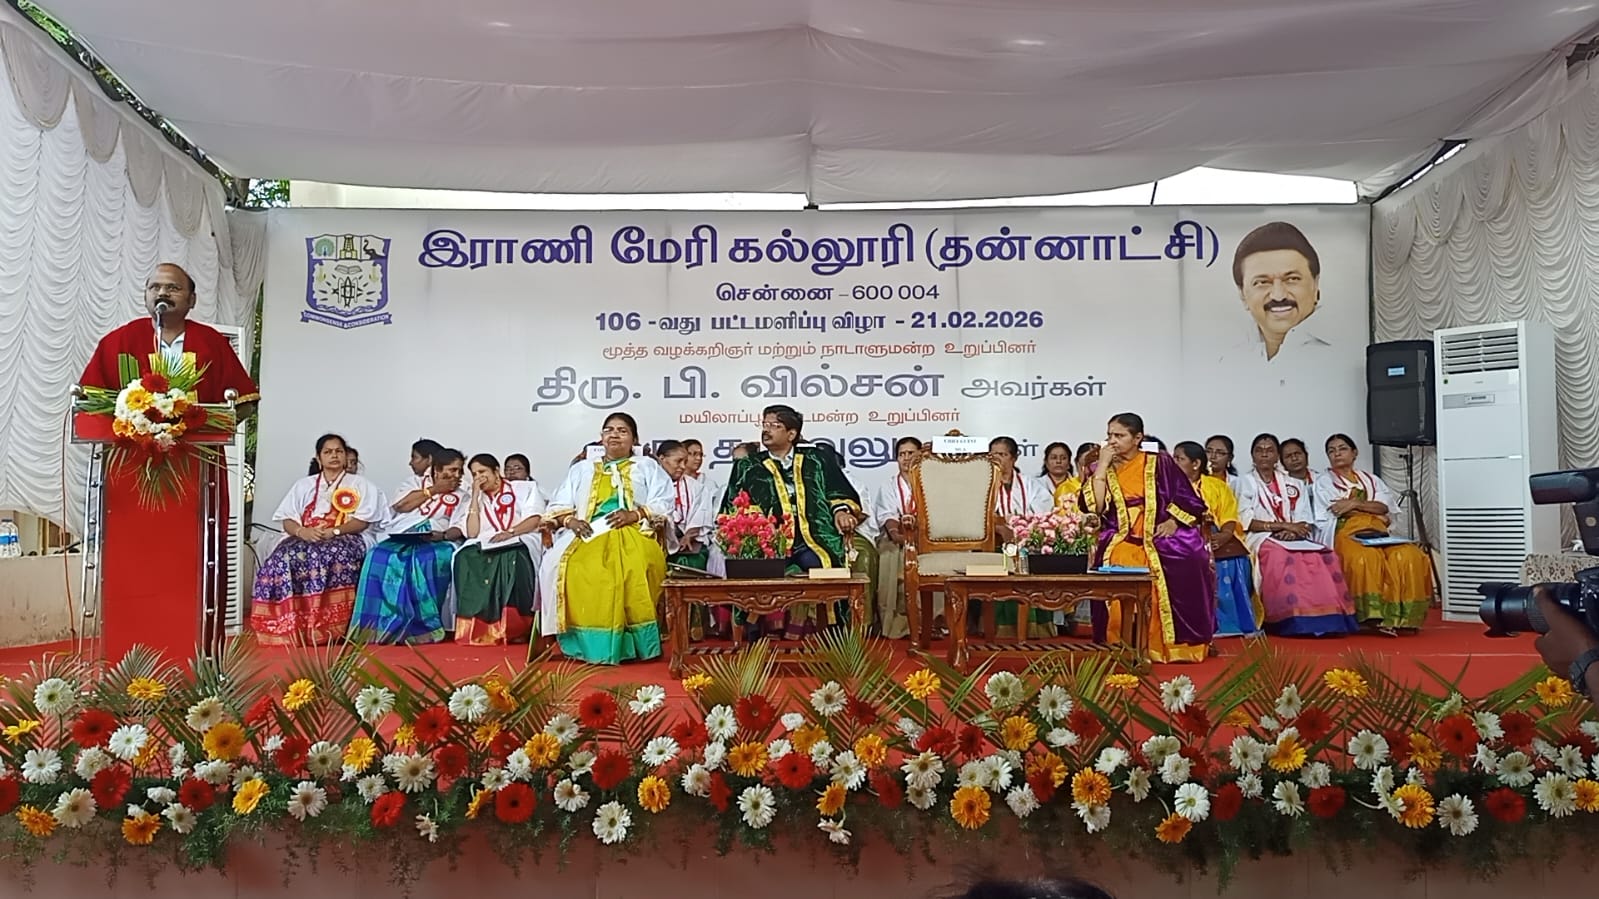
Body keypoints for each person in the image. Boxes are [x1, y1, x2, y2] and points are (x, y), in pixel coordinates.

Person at [1081, 413, 1215, 663]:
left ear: (1137, 438)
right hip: (1121, 534)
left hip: (1159, 529)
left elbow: (1188, 498)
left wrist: (1173, 521)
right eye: (1109, 435)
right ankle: (1120, 643)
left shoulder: (1160, 462)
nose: (1112, 441)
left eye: (1119, 435)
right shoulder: (1100, 467)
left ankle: (1177, 645)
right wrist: (1102, 466)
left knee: (1191, 557)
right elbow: (1095, 508)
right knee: (1116, 561)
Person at [539, 413, 672, 665]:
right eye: (609, 430)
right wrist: (571, 521)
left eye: (622, 430)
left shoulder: (647, 467)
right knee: (570, 567)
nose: (614, 435)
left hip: (634, 530)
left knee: (632, 569)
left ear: (634, 439)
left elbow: (663, 501)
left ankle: (635, 645)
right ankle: (587, 644)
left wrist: (634, 514)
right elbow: (559, 504)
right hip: (587, 532)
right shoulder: (582, 469)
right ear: (601, 437)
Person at [721, 405, 864, 638]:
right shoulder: (748, 465)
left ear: (791, 434)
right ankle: (753, 629)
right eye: (764, 424)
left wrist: (841, 512)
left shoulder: (816, 459)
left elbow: (838, 491)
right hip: (768, 543)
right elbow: (734, 506)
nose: (766, 430)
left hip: (813, 539)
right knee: (755, 571)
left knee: (826, 565)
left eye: (774, 425)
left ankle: (834, 632)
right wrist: (756, 529)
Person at [250, 433, 383, 645]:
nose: (334, 456)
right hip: (307, 536)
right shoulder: (304, 485)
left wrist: (334, 532)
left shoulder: (360, 484)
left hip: (347, 536)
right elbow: (287, 519)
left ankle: (329, 628)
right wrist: (302, 532)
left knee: (329, 555)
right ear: (319, 458)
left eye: (338, 451)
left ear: (345, 456)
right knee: (282, 557)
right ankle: (289, 627)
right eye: (328, 452)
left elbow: (362, 522)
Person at [79, 262, 261, 411]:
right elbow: (90, 399)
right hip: (131, 443)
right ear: (145, 297)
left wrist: (211, 429)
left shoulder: (212, 342)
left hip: (196, 444)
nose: (162, 293)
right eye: (155, 287)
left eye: (173, 288)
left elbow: (244, 401)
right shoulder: (119, 341)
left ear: (192, 300)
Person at [1236, 433, 1357, 637]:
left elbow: (1304, 520)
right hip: (1260, 536)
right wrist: (1283, 527)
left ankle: (1328, 617)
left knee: (1322, 554)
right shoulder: (1244, 482)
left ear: (1277, 457)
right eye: (1259, 451)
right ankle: (1289, 619)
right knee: (1280, 556)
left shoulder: (1294, 483)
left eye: (1270, 450)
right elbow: (1245, 521)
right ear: (1252, 456)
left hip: (1294, 537)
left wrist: (1293, 530)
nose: (1264, 455)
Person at [1314, 433, 1434, 635]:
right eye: (1331, 451)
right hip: (1346, 532)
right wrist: (1369, 508)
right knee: (1365, 558)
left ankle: (1402, 617)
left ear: (1354, 453)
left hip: (1378, 531)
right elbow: (1337, 510)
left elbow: (1384, 507)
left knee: (1408, 555)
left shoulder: (1371, 480)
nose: (1337, 454)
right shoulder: (1324, 482)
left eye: (1342, 449)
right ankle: (1371, 616)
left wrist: (1354, 503)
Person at [348, 448, 467, 644]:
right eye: (451, 470)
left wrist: (443, 535)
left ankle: (419, 629)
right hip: (403, 536)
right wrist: (435, 490)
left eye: (460, 470)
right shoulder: (413, 483)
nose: (457, 475)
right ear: (436, 470)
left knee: (419, 562)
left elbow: (460, 526)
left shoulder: (464, 494)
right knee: (376, 555)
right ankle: (374, 628)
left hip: (438, 541)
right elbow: (401, 506)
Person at [450, 454, 546, 645]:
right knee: (465, 556)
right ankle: (475, 627)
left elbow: (535, 519)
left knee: (513, 556)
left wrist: (510, 532)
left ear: (496, 471)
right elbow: (472, 532)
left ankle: (516, 628)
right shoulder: (475, 497)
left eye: (482, 471)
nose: (479, 477)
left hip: (520, 535)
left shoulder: (524, 488)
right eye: (474, 474)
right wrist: (475, 497)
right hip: (487, 541)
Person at [1174, 441, 1261, 638]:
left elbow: (1229, 517)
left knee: (1234, 560)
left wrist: (1224, 536)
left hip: (1216, 535)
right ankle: (1205, 624)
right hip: (1183, 537)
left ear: (1196, 464)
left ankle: (1231, 623)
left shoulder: (1217, 486)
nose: (1174, 462)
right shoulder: (1169, 486)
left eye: (1179, 459)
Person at [1230, 221, 1329, 362]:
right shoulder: (1227, 360)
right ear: (1242, 294)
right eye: (1262, 282)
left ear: (1315, 284)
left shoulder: (1346, 352)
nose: (1278, 296)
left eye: (1292, 279)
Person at [871, 437, 923, 639]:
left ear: (920, 456)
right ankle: (893, 624)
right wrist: (897, 535)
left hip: (925, 537)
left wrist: (917, 537)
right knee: (890, 554)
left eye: (911, 453)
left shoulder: (930, 484)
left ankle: (932, 622)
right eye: (902, 454)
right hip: (895, 535)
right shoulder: (889, 485)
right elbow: (887, 515)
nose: (906, 458)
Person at [682, 439, 725, 508]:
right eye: (694, 454)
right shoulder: (673, 483)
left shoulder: (709, 484)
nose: (698, 458)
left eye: (700, 455)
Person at [1039, 442, 1080, 511]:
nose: (1058, 461)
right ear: (1046, 462)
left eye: (1063, 458)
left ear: (1069, 463)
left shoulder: (1078, 485)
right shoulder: (1037, 485)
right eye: (1054, 458)